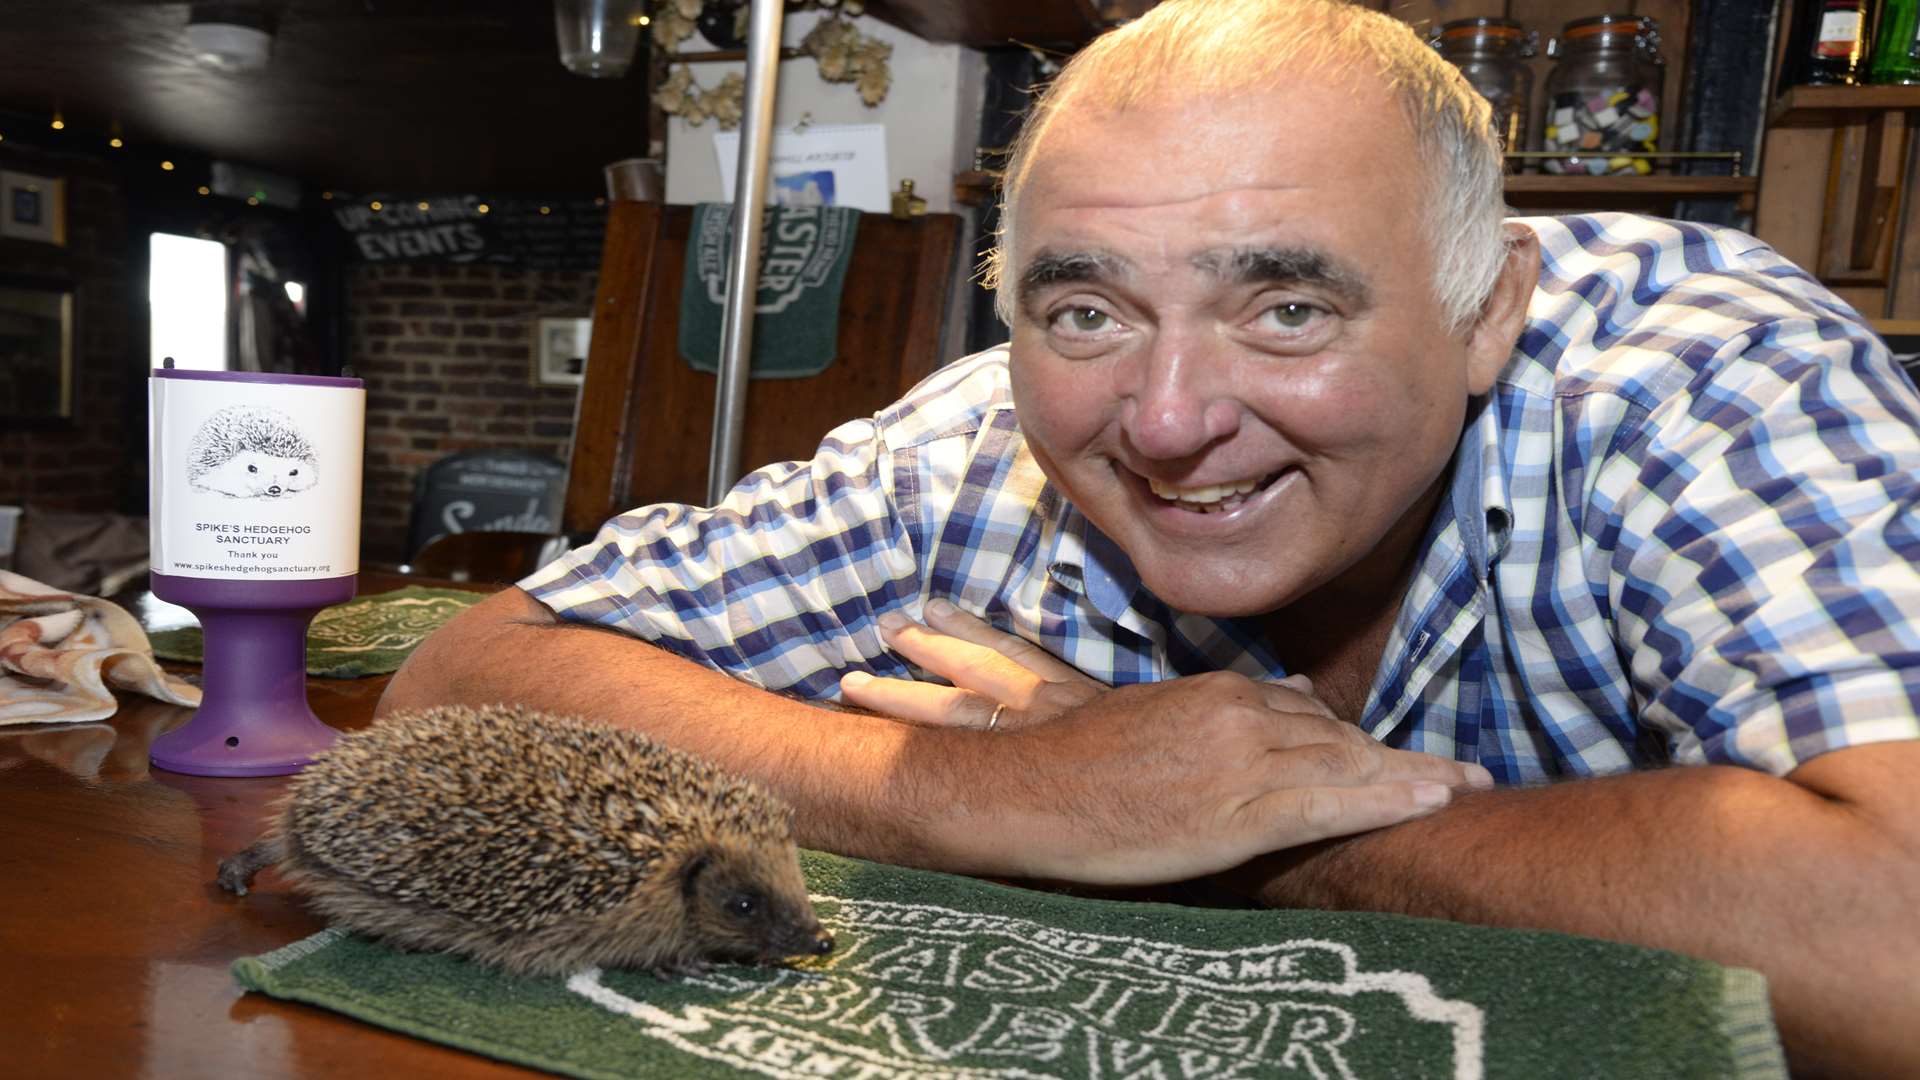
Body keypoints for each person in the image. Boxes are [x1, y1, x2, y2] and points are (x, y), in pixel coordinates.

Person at [381, 0, 1920, 1072]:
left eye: (1290, 305)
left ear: (1487, 311)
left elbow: (1892, 946)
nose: (1168, 418)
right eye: (1089, 307)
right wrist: (992, 791)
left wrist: (1259, 832)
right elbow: (462, 676)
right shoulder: (981, 441)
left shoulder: (1695, 367)